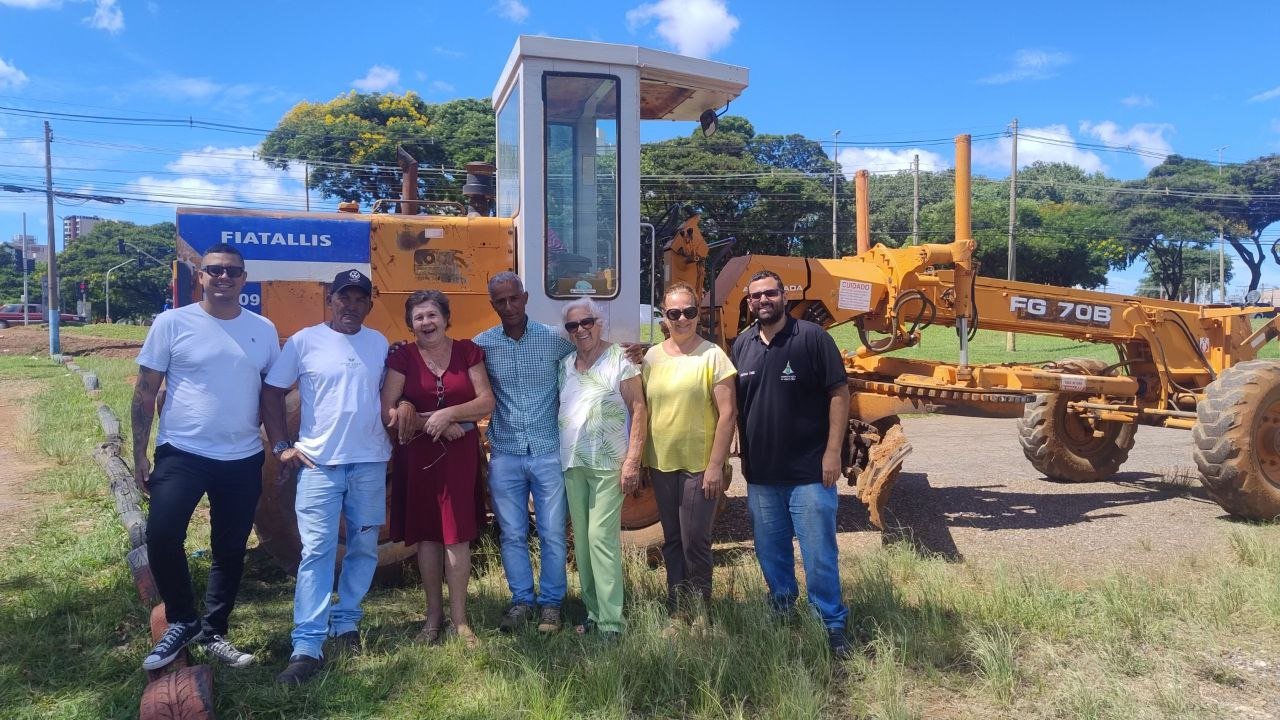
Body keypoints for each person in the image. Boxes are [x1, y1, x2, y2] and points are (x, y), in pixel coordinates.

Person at [133, 244, 279, 671]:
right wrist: (140, 452)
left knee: (229, 548)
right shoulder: (172, 323)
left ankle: (215, 631)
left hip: (242, 456)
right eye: (214, 270)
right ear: (199, 276)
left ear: (244, 278)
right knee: (161, 536)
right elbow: (145, 390)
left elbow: (271, 393)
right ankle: (181, 620)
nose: (223, 277)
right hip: (182, 452)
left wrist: (282, 445)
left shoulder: (263, 330)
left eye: (232, 271)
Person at [261, 269, 393, 684]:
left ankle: (347, 623)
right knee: (316, 553)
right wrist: (282, 446)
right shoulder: (304, 341)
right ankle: (307, 645)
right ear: (330, 301)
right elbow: (272, 392)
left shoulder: (378, 343)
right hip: (319, 467)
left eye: (360, 299)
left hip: (371, 464)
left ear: (369, 304)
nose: (351, 306)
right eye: (344, 298)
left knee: (364, 548)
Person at [730, 269, 853, 659]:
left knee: (818, 554)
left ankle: (830, 623)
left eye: (770, 293)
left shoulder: (812, 339)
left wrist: (833, 453)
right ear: (748, 303)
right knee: (771, 553)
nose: (763, 301)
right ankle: (782, 609)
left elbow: (839, 393)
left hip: (810, 474)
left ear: (784, 296)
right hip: (762, 475)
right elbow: (736, 401)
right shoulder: (742, 345)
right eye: (755, 297)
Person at [382, 290, 494, 646]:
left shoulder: (468, 352)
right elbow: (389, 412)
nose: (426, 323)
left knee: (457, 535)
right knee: (428, 536)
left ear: (446, 318)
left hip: (459, 455)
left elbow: (485, 401)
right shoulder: (403, 357)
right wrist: (432, 423)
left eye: (432, 315)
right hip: (417, 456)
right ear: (410, 324)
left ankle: (460, 621)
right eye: (419, 317)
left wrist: (448, 415)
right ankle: (433, 617)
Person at [473, 271, 575, 633]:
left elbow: (591, 358)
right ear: (492, 305)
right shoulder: (482, 345)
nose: (508, 306)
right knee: (512, 533)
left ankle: (551, 604)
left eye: (513, 298)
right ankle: (521, 601)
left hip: (548, 451)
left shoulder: (554, 340)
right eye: (499, 301)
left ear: (526, 297)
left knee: (551, 532)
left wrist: (624, 351)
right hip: (505, 453)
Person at [642, 280, 737, 624]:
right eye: (674, 313)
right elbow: (645, 410)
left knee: (695, 539)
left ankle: (700, 609)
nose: (682, 318)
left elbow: (728, 414)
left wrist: (715, 466)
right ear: (664, 316)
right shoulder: (652, 357)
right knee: (671, 539)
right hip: (662, 463)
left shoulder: (713, 356)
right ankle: (677, 607)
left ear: (698, 314)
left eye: (689, 312)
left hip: (700, 465)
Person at [557, 298, 647, 639]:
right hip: (572, 463)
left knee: (600, 538)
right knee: (581, 540)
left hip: (610, 462)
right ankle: (594, 613)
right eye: (572, 326)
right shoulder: (566, 365)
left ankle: (612, 621)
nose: (581, 330)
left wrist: (633, 460)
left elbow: (639, 410)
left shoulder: (621, 360)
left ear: (600, 323)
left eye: (587, 322)